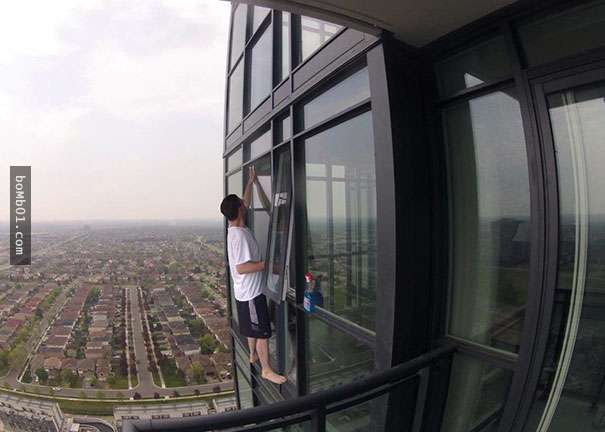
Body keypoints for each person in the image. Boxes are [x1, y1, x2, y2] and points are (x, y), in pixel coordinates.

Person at [220, 166, 287, 385]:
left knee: (251, 327)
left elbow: (245, 201)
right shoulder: (239, 236)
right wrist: (267, 265)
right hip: (251, 293)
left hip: (244, 293)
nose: (245, 203)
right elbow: (241, 267)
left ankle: (252, 354)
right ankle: (266, 370)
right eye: (242, 203)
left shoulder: (235, 227)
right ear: (240, 209)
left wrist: (251, 182)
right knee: (261, 332)